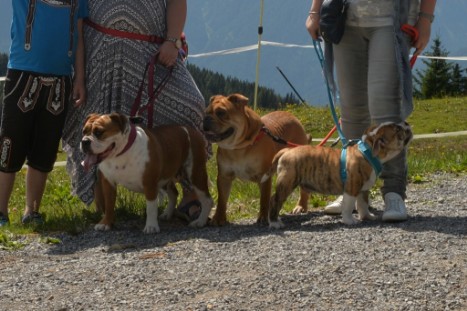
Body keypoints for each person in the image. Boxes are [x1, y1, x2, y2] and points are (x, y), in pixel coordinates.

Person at [62, 0, 208, 221]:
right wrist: (79, 75)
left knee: (192, 106)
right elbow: (78, 20)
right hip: (99, 54)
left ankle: (190, 195)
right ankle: (104, 208)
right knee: (92, 122)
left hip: (151, 51)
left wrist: (172, 40)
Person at [306, 0, 437, 221]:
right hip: (344, 16)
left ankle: (394, 193)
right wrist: (315, 10)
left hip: (390, 20)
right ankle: (352, 189)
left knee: (386, 110)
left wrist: (425, 19)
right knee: (351, 110)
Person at [0, 0, 88, 227]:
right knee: (10, 145)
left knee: (46, 147)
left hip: (61, 77)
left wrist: (79, 77)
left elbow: (78, 34)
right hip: (22, 72)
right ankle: (0, 211)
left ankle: (32, 211)